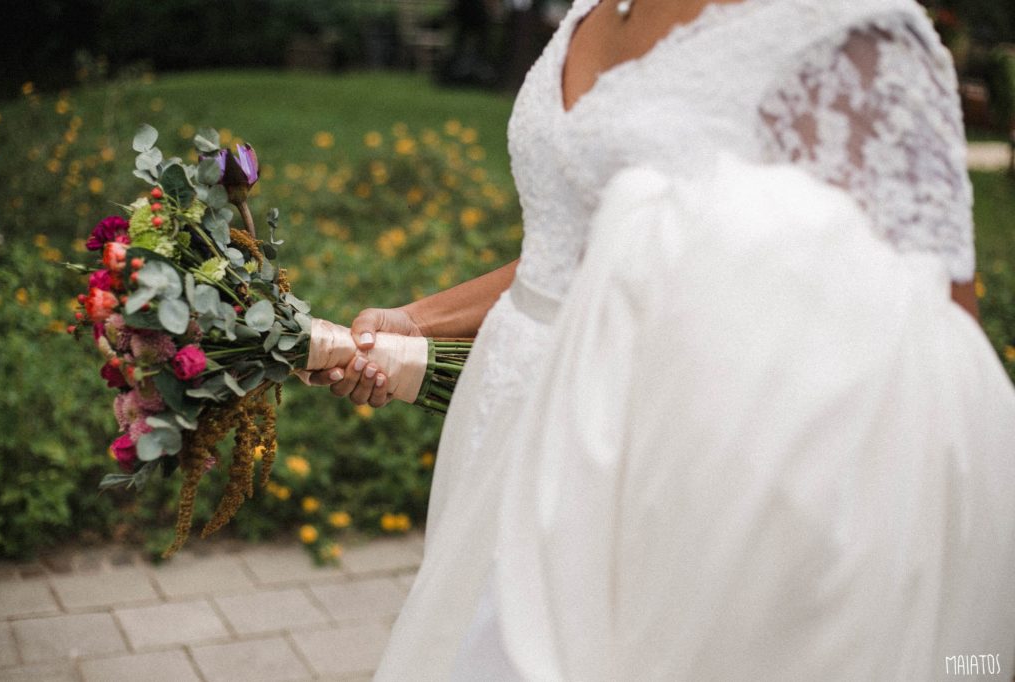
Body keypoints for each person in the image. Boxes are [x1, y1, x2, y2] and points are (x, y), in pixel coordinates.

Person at [308, 0, 1015, 678]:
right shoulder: (594, 7)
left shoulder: (851, 32)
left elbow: (934, 344)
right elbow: (570, 248)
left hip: (668, 457)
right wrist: (418, 319)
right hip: (506, 426)